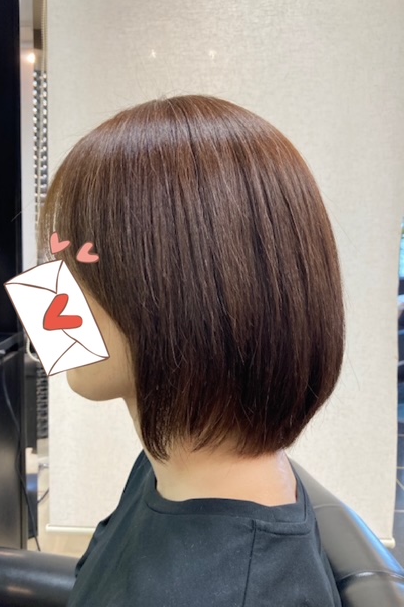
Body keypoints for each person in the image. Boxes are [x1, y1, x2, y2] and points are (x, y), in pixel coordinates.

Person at [39, 95, 345, 606]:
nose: (51, 293)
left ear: (185, 291)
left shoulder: (235, 589)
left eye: (80, 263)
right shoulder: (173, 462)